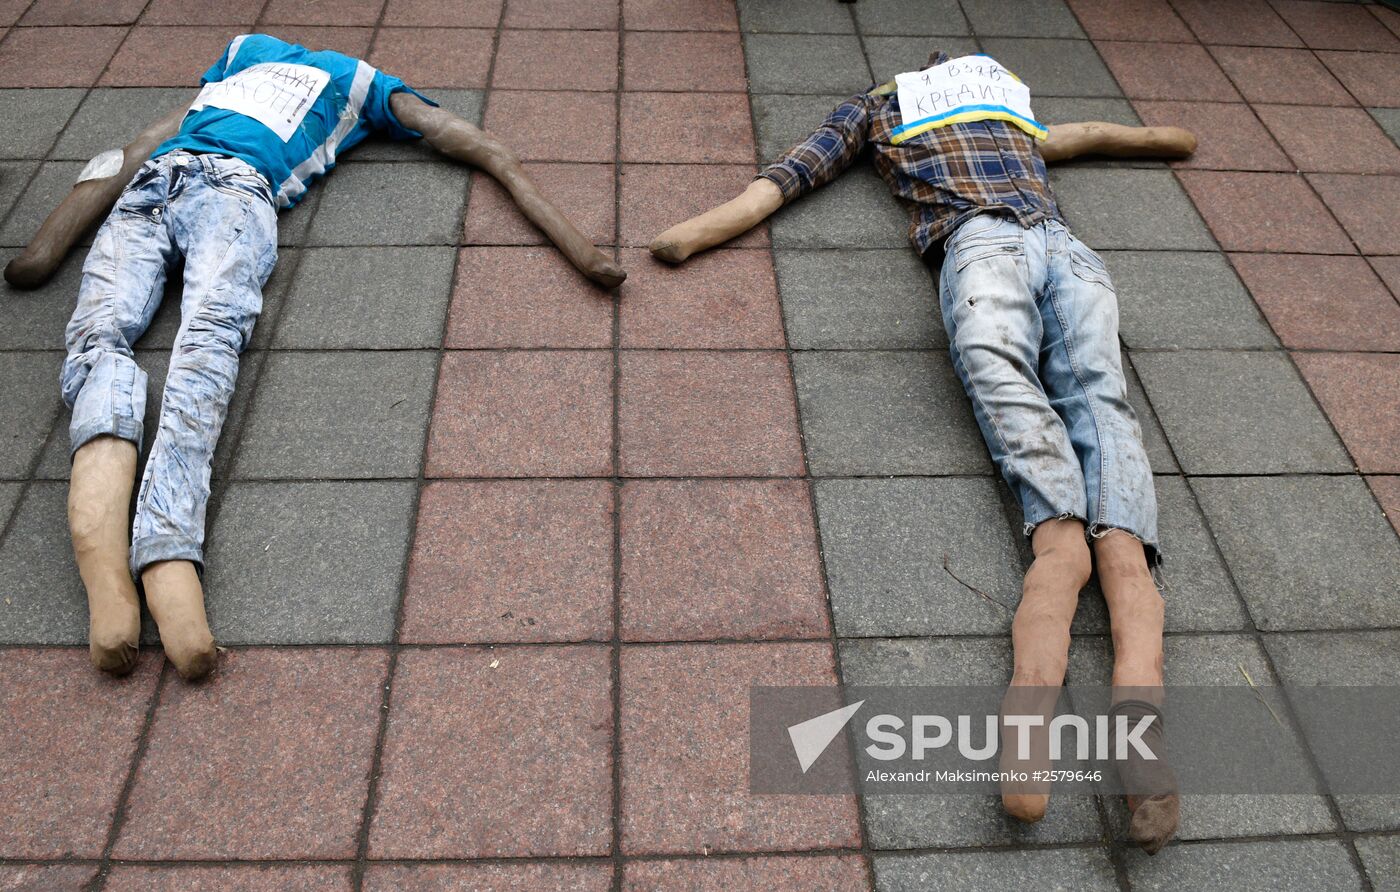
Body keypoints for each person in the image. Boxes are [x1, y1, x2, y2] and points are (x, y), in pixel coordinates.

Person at [648, 51, 1192, 854]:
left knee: (1019, 408)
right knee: (1106, 420)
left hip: (982, 247)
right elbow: (1088, 135)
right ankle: (1138, 740)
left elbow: (789, 177)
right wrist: (1163, 138)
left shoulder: (878, 108)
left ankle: (1040, 711)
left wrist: (690, 234)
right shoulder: (1005, 111)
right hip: (1068, 250)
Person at [6, 33, 625, 682]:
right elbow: (146, 142)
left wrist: (43, 251)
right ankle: (134, 558)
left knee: (137, 342)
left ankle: (157, 560)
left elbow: (134, 148)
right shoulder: (295, 65)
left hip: (208, 187)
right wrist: (44, 251)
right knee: (192, 348)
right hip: (183, 183)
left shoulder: (346, 81)